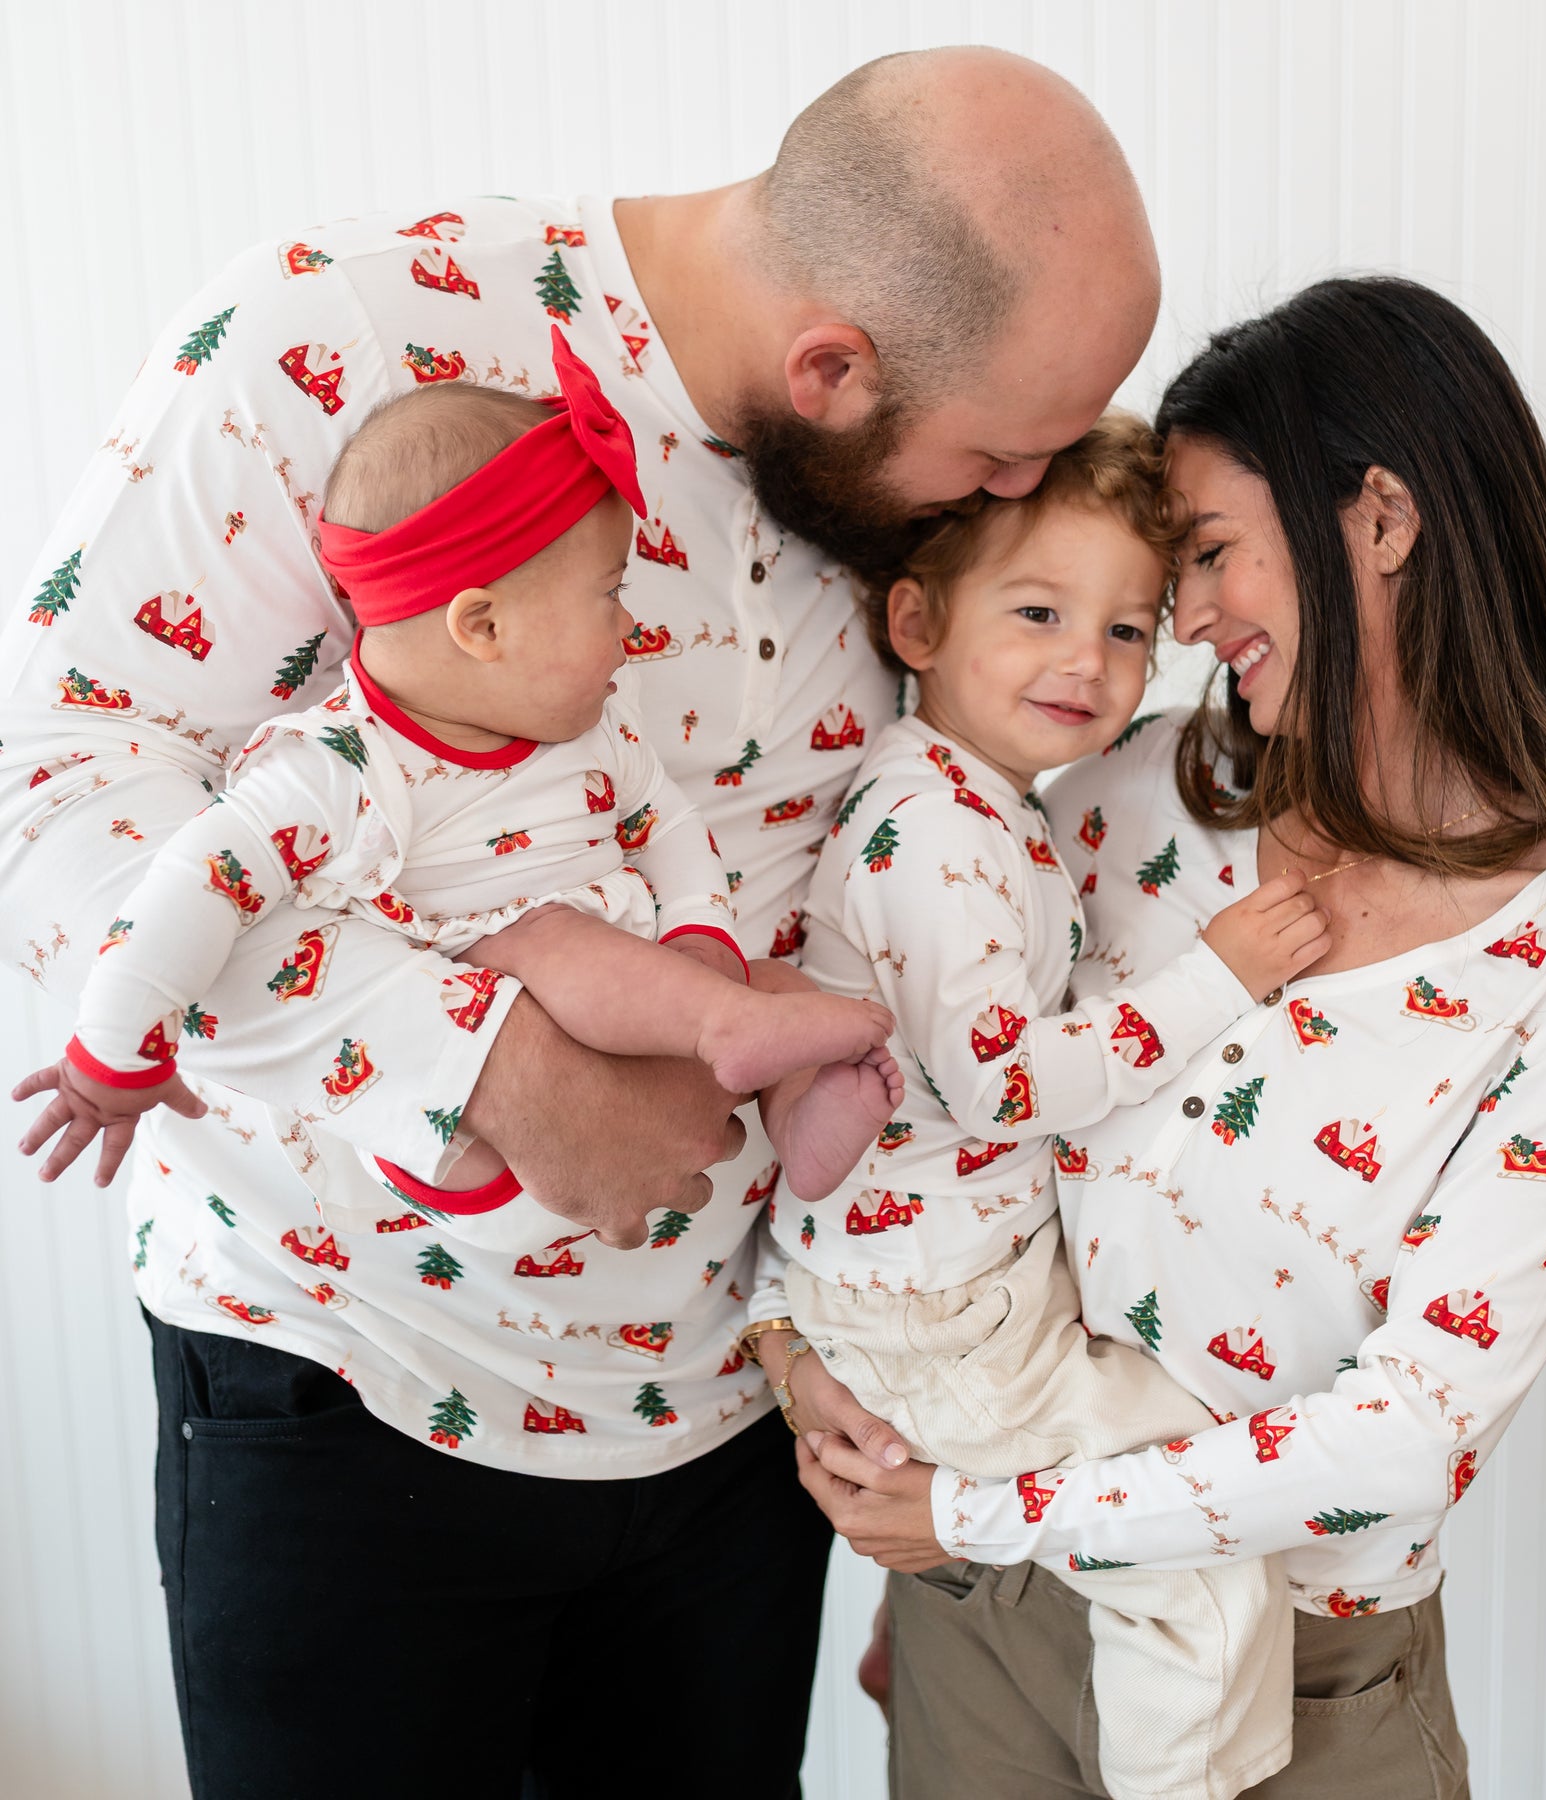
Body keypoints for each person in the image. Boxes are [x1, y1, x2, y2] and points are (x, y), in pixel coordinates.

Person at [0, 48, 1160, 1797]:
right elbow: (55, 773)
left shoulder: (892, 492)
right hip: (349, 1395)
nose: (1017, 504)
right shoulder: (349, 330)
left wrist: (852, 1337)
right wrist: (488, 1068)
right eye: (1002, 456)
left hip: (729, 1434)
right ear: (830, 367)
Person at [792, 276, 1546, 1800]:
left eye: (1214, 553)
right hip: (989, 1624)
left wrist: (986, 1522)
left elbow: (1413, 1427)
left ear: (1380, 520)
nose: (1185, 619)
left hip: (1293, 1680)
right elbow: (894, 1082)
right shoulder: (1113, 793)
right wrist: (798, 1353)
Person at [761, 415, 1330, 1800]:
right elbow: (1005, 1080)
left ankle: (935, 1628)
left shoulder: (981, 802)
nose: (1090, 661)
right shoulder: (945, 833)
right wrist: (1223, 977)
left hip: (937, 1291)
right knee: (1196, 1538)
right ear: (917, 621)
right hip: (944, 1317)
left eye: (1131, 630)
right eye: (1039, 612)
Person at [15, 332, 903, 1208]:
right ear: (482, 626)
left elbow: (663, 823)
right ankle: (727, 1030)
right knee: (553, 942)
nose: (631, 629)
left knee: (775, 984)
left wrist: (703, 935)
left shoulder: (594, 725)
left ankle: (791, 1113)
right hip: (489, 1061)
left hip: (643, 1005)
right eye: (610, 593)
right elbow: (191, 888)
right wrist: (113, 1051)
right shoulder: (337, 768)